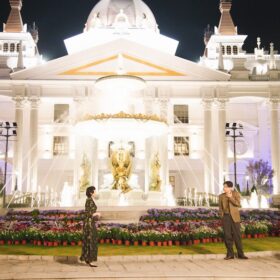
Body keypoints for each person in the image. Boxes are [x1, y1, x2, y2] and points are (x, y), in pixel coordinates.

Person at [218, 181, 248, 260]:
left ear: (230, 187)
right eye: (224, 186)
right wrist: (222, 216)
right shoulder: (221, 196)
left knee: (237, 236)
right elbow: (220, 208)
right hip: (226, 217)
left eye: (225, 187)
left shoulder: (236, 194)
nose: (224, 188)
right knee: (227, 236)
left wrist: (230, 197)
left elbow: (238, 204)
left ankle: (240, 254)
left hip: (235, 217)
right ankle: (230, 254)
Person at [80, 186, 101, 267]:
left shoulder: (90, 200)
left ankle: (88, 259)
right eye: (95, 191)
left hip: (89, 222)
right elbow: (88, 213)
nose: (96, 193)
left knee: (90, 240)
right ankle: (90, 260)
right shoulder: (89, 201)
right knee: (91, 240)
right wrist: (97, 214)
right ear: (91, 193)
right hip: (89, 224)